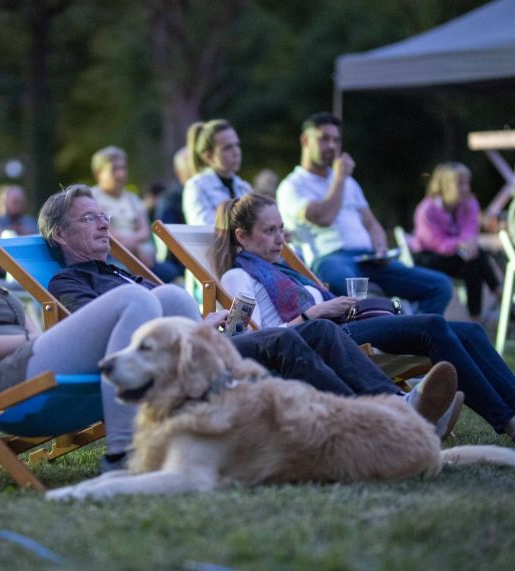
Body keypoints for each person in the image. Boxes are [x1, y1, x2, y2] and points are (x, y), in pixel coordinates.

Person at [39, 185, 459, 450]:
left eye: (102, 215)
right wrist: (198, 328)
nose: (103, 224)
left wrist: (210, 320)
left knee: (317, 330)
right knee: (283, 339)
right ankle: (368, 425)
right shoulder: (69, 282)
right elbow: (114, 331)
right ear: (61, 234)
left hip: (202, 344)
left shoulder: (117, 270)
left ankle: (398, 406)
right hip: (177, 360)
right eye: (89, 217)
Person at [0, 188, 208, 473]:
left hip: (28, 359)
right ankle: (122, 452)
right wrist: (27, 342)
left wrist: (32, 341)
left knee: (172, 297)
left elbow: (29, 332)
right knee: (134, 299)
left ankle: (195, 425)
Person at [209, 192, 515, 441]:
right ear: (243, 237)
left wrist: (329, 300)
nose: (280, 239)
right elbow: (261, 341)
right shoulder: (239, 277)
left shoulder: (279, 268)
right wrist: (313, 312)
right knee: (432, 326)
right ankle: (506, 421)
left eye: (280, 229)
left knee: (471, 332)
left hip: (343, 325)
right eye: (269, 231)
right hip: (325, 338)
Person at [276, 112, 452, 313]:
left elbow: (371, 224)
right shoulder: (292, 186)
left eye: (336, 140)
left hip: (368, 258)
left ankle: (415, 337)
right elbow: (324, 218)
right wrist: (340, 178)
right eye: (324, 139)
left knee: (440, 286)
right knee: (360, 297)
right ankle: (398, 332)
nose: (332, 146)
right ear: (305, 140)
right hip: (330, 259)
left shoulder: (349, 182)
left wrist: (380, 247)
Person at [411, 162, 501, 320]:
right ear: (444, 186)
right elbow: (435, 242)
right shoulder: (426, 209)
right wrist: (463, 244)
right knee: (476, 258)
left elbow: (470, 230)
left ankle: (476, 318)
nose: (466, 188)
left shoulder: (469, 204)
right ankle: (499, 295)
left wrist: (469, 244)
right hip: (428, 257)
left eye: (467, 183)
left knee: (473, 262)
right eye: (460, 183)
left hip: (456, 256)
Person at [90, 146, 179, 283]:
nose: (121, 174)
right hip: (110, 256)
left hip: (139, 255)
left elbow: (144, 231)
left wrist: (134, 246)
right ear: (98, 173)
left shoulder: (133, 199)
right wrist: (132, 248)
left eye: (123, 168)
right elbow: (105, 233)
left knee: (172, 272)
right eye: (114, 169)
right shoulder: (91, 199)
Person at [182, 119, 252, 225]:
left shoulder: (244, 187)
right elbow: (204, 228)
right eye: (227, 147)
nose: (236, 152)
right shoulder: (196, 187)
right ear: (208, 156)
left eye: (237, 145)